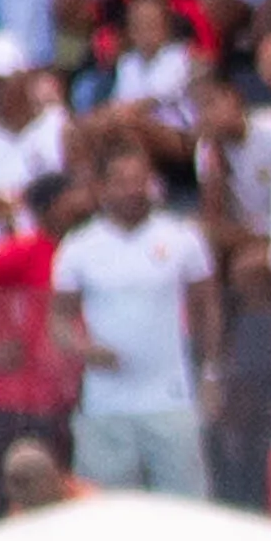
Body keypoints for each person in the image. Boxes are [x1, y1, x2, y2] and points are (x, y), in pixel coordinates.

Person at [48, 141, 221, 494]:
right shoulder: (79, 247)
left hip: (171, 399)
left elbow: (208, 307)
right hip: (105, 403)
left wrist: (211, 372)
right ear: (101, 188)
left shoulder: (182, 237)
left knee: (184, 513)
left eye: (139, 181)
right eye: (122, 182)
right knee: (103, 514)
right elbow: (59, 319)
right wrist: (84, 349)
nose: (132, 190)